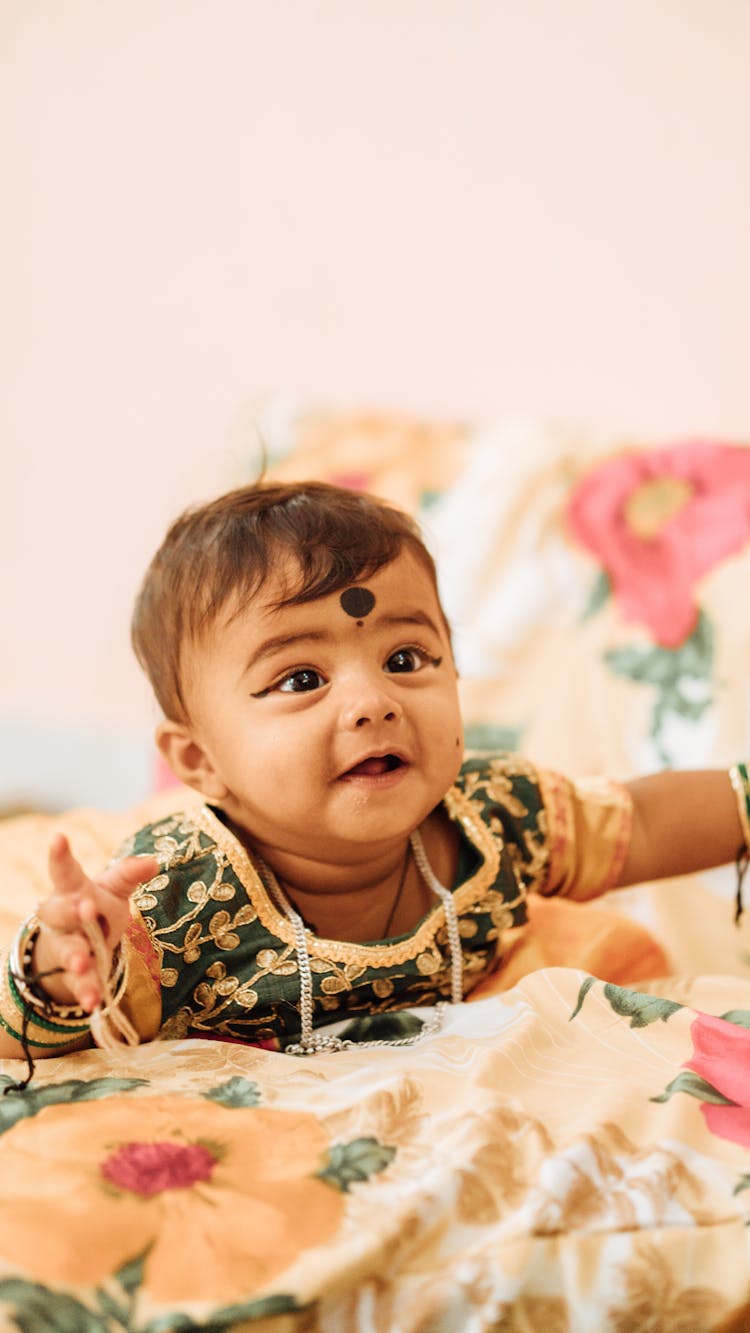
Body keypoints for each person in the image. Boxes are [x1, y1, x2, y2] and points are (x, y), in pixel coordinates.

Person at [2, 480, 750, 1065]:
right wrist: (59, 966)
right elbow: (45, 1029)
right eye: (301, 679)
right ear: (201, 761)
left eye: (404, 659)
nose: (374, 702)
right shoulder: (179, 897)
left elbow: (643, 822)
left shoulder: (495, 815)